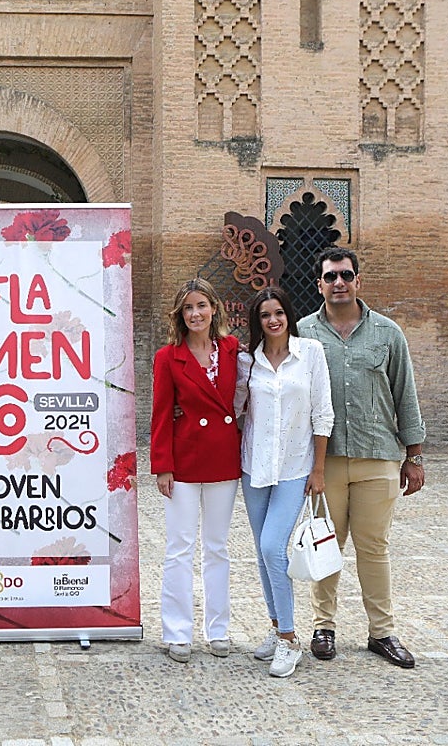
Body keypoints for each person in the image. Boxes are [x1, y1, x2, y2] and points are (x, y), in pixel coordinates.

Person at [298, 246, 426, 668]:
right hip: (326, 460)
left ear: (358, 281)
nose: (339, 283)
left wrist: (415, 456)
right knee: (326, 545)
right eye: (331, 276)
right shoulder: (303, 333)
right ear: (319, 284)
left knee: (374, 548)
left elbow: (405, 395)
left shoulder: (387, 334)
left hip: (377, 457)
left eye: (346, 276)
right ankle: (323, 627)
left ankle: (382, 632)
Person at [235, 286, 333, 678]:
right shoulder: (249, 362)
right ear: (257, 322)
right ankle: (276, 629)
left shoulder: (310, 353)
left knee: (274, 546)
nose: (273, 320)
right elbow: (237, 408)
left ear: (288, 315)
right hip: (254, 467)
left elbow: (322, 412)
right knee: (262, 551)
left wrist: (319, 470)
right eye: (265, 315)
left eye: (278, 313)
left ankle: (290, 639)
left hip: (295, 467)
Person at [150, 278, 242, 663]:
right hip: (183, 463)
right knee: (180, 548)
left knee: (218, 548)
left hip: (224, 459)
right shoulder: (168, 357)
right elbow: (160, 415)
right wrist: (162, 466)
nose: (195, 314)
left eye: (201, 305)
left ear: (214, 308)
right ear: (180, 315)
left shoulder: (234, 349)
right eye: (188, 308)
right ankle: (177, 632)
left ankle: (218, 629)